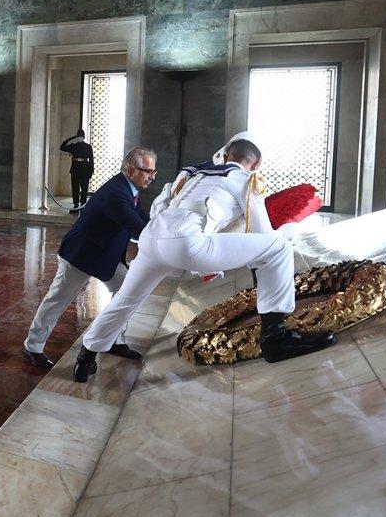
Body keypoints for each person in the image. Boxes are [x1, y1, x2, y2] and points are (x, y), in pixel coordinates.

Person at [72, 136, 337, 382]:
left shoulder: (190, 172)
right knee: (277, 248)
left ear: (225, 155)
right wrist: (288, 229)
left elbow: (158, 207)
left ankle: (86, 357)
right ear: (255, 163)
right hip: (189, 244)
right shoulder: (246, 179)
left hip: (151, 239)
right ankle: (276, 337)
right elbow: (261, 233)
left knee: (125, 299)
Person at [21, 146, 156, 370]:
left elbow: (142, 217)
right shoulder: (116, 193)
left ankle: (114, 340)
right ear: (130, 169)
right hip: (81, 255)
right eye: (146, 171)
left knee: (128, 291)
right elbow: (136, 226)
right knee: (58, 300)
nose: (151, 176)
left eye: (154, 172)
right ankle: (32, 347)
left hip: (105, 255)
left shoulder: (129, 188)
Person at [60, 129, 94, 211]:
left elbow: (91, 160)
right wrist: (71, 138)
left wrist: (91, 171)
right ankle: (75, 205)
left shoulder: (88, 147)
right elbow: (62, 147)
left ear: (84, 137)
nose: (79, 138)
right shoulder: (73, 146)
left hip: (85, 168)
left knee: (84, 188)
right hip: (75, 168)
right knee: (75, 188)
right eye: (78, 136)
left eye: (81, 136)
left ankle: (83, 205)